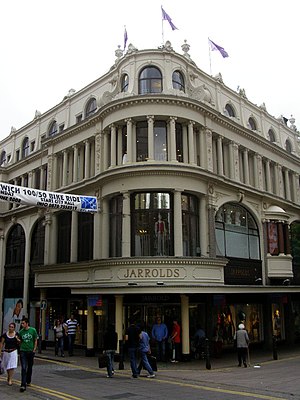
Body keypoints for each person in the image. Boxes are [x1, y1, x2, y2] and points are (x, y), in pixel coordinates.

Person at [18, 318, 38, 392]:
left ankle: (28, 381)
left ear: (27, 323)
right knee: (23, 367)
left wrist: (34, 349)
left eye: (23, 323)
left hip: (30, 351)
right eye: (21, 323)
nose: (22, 325)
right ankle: (23, 385)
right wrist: (19, 341)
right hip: (23, 351)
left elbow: (35, 340)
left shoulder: (33, 330)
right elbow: (20, 342)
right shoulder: (21, 332)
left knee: (30, 367)